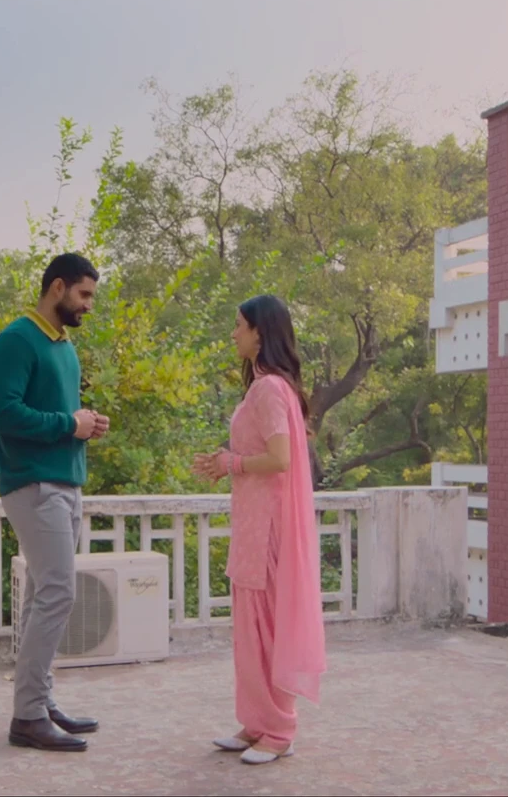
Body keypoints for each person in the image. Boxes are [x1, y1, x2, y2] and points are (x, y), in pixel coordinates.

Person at [190, 294, 328, 766]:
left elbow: (280, 458)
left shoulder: (269, 389)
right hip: (254, 522)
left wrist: (231, 463)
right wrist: (225, 463)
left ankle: (279, 729)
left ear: (259, 333)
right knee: (251, 628)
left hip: (266, 526)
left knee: (264, 628)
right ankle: (256, 722)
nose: (234, 333)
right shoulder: (268, 387)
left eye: (239, 325)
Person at [0, 252, 111, 753]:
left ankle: (38, 702)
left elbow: (59, 418)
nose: (88, 305)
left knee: (44, 595)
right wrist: (67, 424)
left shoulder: (63, 346)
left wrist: (85, 424)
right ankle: (28, 716)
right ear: (57, 287)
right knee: (58, 593)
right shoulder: (17, 339)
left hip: (66, 483)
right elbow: (3, 413)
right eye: (84, 294)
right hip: (34, 485)